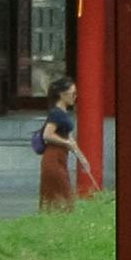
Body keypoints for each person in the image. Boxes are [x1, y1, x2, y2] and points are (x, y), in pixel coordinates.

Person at [31, 77, 85, 215]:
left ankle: (56, 219)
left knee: (63, 192)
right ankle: (53, 220)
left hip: (62, 157)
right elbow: (47, 135)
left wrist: (81, 158)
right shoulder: (56, 113)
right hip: (53, 157)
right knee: (61, 192)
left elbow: (69, 137)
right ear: (62, 94)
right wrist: (66, 143)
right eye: (72, 94)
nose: (75, 97)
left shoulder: (64, 114)